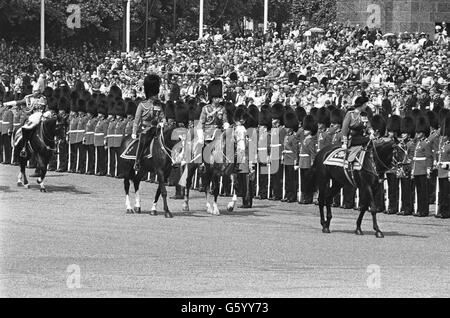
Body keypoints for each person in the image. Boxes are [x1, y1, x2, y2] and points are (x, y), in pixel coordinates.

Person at [132, 74, 165, 172]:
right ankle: (137, 162)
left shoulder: (158, 105)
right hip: (145, 129)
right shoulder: (142, 105)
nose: (156, 96)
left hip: (156, 129)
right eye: (155, 94)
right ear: (151, 93)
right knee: (143, 140)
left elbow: (162, 116)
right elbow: (137, 119)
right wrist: (134, 132)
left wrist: (162, 122)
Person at [412, 116, 433, 217]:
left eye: (419, 132)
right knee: (419, 192)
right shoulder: (418, 143)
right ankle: (420, 210)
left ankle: (424, 211)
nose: (417, 134)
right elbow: (414, 158)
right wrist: (413, 170)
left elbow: (429, 157)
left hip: (423, 170)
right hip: (417, 170)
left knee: (424, 192)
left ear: (423, 133)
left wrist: (429, 169)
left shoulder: (426, 143)